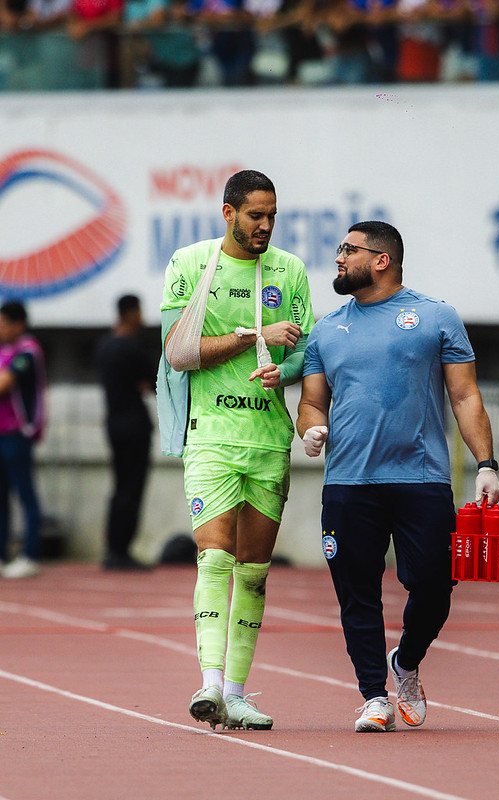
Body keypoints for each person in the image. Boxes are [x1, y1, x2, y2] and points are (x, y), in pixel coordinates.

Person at [296, 221, 499, 733]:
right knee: (356, 592)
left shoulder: (436, 317)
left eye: (349, 250)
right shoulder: (326, 329)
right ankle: (373, 696)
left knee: (436, 583)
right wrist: (312, 428)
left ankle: (405, 662)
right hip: (348, 482)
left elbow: (465, 396)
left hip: (421, 479)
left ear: (382, 259)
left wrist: (486, 465)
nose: (338, 258)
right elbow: (311, 400)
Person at [159, 169, 314, 731]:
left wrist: (285, 369)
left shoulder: (290, 271)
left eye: (272, 215)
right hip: (212, 437)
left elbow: (302, 353)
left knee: (253, 570)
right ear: (229, 213)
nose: (265, 226)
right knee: (216, 557)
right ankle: (207, 682)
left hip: (269, 440)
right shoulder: (192, 264)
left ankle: (237, 692)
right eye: (255, 215)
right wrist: (254, 337)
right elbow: (179, 351)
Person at [96, 294, 156, 570]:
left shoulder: (105, 346)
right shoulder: (131, 348)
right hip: (134, 426)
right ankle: (121, 551)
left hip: (113, 424)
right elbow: (155, 380)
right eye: (139, 311)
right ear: (130, 313)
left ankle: (113, 548)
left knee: (119, 487)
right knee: (132, 489)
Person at [0, 301, 47, 580]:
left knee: (25, 494)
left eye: (4, 324)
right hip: (1, 433)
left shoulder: (27, 351)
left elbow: (5, 384)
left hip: (18, 433)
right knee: (1, 497)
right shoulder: (5, 351)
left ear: (19, 325)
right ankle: (2, 554)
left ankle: (31, 554)